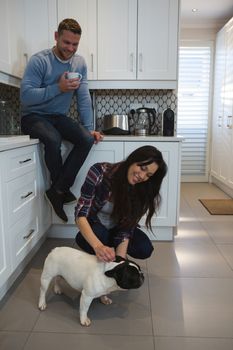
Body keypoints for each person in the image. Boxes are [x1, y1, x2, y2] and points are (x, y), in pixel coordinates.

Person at [20, 18, 103, 223]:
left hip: (58, 117)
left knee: (86, 139)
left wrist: (89, 128)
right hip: (33, 116)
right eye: (66, 42)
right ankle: (60, 190)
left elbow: (83, 98)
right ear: (56, 37)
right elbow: (25, 96)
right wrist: (59, 88)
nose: (70, 48)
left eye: (75, 44)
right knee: (53, 138)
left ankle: (57, 190)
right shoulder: (39, 61)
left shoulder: (79, 63)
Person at [75, 145, 167, 262]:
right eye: (143, 168)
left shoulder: (141, 189)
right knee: (99, 235)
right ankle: (100, 250)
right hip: (96, 226)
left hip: (116, 229)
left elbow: (126, 228)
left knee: (144, 248)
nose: (142, 176)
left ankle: (111, 254)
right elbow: (80, 214)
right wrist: (98, 247)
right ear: (133, 160)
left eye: (148, 175)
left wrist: (120, 262)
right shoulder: (99, 172)